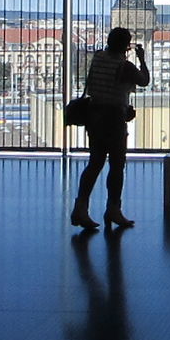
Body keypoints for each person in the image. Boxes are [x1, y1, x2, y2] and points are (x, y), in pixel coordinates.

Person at [70, 27, 150, 231]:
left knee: (94, 163)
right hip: (114, 118)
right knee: (116, 165)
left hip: (94, 116)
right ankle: (113, 208)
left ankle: (80, 207)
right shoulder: (126, 66)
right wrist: (141, 58)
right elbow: (144, 81)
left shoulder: (98, 58)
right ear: (125, 45)